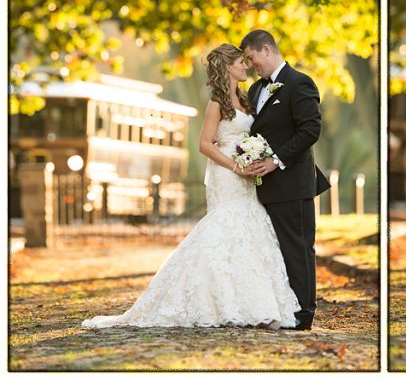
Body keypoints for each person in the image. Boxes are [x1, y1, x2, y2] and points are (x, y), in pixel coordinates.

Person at [82, 44, 300, 329]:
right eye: (240, 62)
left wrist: (254, 155)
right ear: (228, 68)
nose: (246, 66)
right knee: (225, 227)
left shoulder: (247, 101)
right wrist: (236, 165)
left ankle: (252, 303)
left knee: (249, 229)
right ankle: (217, 302)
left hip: (246, 178)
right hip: (228, 175)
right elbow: (205, 144)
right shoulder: (216, 105)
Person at [239, 29, 330, 331]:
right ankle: (280, 306)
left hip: (292, 184)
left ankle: (303, 313)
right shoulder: (254, 91)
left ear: (266, 50)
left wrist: (275, 161)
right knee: (272, 251)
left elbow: (310, 130)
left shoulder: (299, 83)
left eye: (251, 58)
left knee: (298, 249)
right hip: (262, 189)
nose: (251, 66)